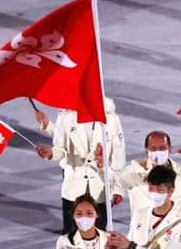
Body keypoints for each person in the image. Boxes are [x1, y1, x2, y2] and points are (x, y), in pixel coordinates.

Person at [35, 98, 126, 235]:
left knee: (100, 235)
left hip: (100, 186)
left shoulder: (111, 119)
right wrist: (50, 154)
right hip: (73, 187)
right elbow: (60, 148)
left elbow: (118, 154)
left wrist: (118, 188)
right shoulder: (66, 116)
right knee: (71, 236)